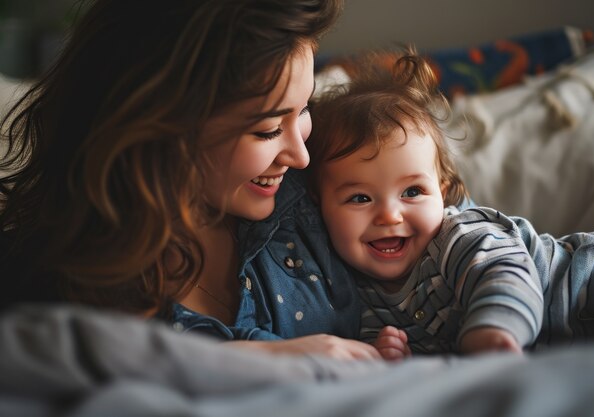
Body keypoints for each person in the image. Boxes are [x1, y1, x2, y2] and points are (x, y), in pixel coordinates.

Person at [0, 0, 392, 359]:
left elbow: (441, 234)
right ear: (164, 128)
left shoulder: (325, 186)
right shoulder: (52, 288)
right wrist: (258, 363)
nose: (299, 156)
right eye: (267, 130)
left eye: (303, 108)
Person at [306, 50, 594, 360]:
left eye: (412, 192)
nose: (390, 215)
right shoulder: (354, 300)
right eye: (360, 198)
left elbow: (505, 273)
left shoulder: (458, 235)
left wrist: (492, 330)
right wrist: (393, 355)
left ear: (442, 194)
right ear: (319, 209)